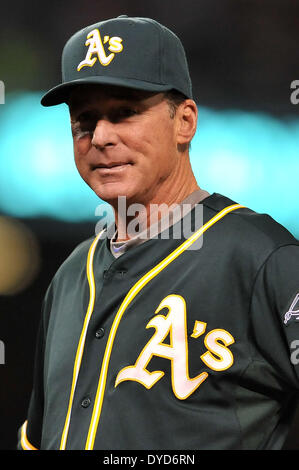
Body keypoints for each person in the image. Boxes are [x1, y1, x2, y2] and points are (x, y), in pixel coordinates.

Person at [18, 15, 299, 451]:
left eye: (125, 113)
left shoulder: (264, 258)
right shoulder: (71, 275)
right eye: (85, 120)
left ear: (184, 121)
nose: (101, 137)